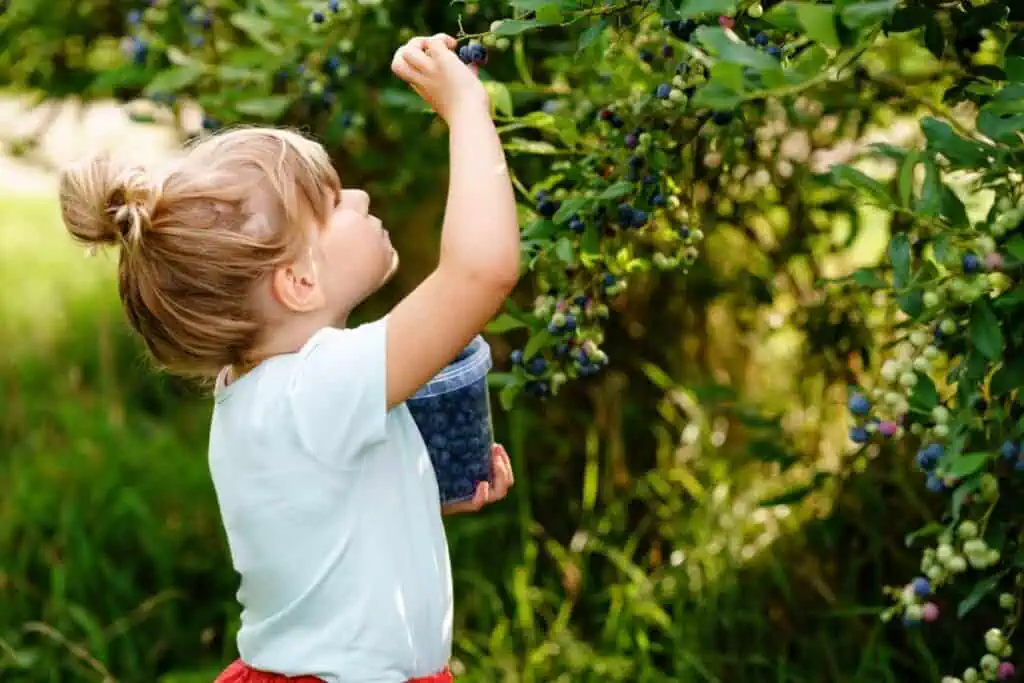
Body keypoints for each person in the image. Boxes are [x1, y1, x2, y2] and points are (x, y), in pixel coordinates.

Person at [57, 33, 519, 683]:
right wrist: (466, 109)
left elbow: (322, 527)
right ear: (298, 281)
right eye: (334, 204)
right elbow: (481, 271)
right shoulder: (320, 383)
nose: (359, 199)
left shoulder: (253, 390)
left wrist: (424, 496)